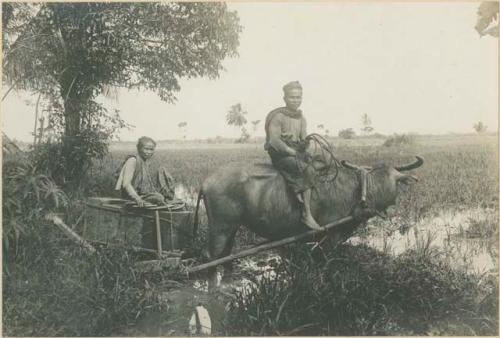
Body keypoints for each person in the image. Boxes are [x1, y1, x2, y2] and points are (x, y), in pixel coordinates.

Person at [264, 81, 322, 230]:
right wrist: (293, 152)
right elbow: (274, 141)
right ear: (284, 98)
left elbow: (304, 139)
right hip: (281, 155)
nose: (295, 100)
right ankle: (306, 214)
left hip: (296, 153)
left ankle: (305, 195)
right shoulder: (278, 117)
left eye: (298, 97)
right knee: (307, 170)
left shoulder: (301, 118)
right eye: (292, 97)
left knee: (321, 165)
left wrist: (309, 149)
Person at [115, 136, 175, 207]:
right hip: (130, 196)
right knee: (159, 198)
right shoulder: (133, 161)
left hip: (141, 195)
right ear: (139, 149)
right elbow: (126, 184)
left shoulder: (144, 161)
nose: (149, 152)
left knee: (167, 198)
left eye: (151, 149)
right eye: (146, 149)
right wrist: (137, 198)